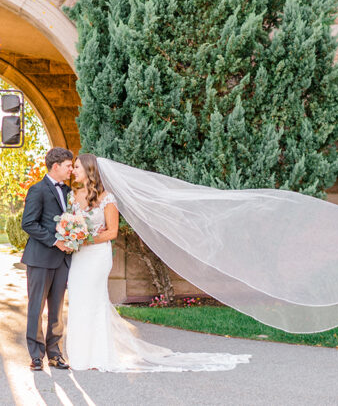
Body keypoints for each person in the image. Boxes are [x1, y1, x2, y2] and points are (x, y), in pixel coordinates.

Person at [65, 153, 252, 372]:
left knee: (95, 302)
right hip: (79, 257)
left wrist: (85, 239)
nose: (73, 171)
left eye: (76, 167)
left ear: (89, 170)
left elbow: (112, 232)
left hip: (96, 256)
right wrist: (71, 236)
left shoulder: (107, 199)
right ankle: (78, 354)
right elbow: (72, 225)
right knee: (78, 300)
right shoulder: (73, 196)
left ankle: (97, 356)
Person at [20, 147, 74, 371]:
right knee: (36, 308)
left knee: (57, 309)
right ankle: (35, 355)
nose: (71, 170)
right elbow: (28, 223)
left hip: (62, 260)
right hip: (40, 258)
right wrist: (55, 241)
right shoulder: (37, 190)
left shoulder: (70, 192)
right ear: (56, 166)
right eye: (69, 166)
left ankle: (55, 353)